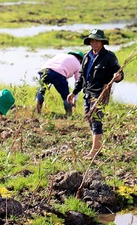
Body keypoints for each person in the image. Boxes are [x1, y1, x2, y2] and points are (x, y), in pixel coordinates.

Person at [67, 29, 123, 159]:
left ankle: (94, 151)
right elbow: (81, 78)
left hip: (100, 93)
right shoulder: (87, 56)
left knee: (96, 120)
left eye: (97, 41)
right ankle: (98, 147)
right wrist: (74, 92)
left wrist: (117, 77)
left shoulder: (109, 57)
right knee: (90, 119)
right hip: (87, 93)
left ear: (102, 42)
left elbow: (119, 73)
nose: (95, 43)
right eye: (92, 41)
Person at [35, 51, 84, 115]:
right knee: (66, 96)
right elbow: (78, 83)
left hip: (44, 70)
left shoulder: (61, 55)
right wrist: (74, 100)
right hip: (59, 74)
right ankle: (69, 115)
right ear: (80, 60)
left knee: (41, 91)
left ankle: (38, 112)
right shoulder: (78, 64)